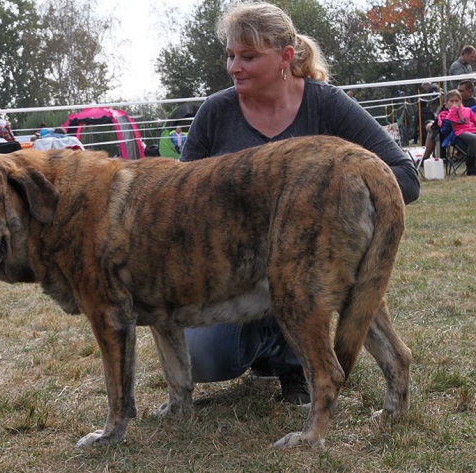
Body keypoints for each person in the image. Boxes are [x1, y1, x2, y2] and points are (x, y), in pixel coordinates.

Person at [179, 2, 420, 404]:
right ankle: (274, 348)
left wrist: (324, 205)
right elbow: (182, 198)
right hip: (237, 271)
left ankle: (300, 364)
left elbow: (405, 178)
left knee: (304, 279)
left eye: (249, 57)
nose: (233, 67)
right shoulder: (215, 113)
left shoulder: (326, 104)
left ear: (285, 57)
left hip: (314, 267)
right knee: (202, 359)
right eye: (230, 55)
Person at [440, 89, 476, 176]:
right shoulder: (444, 113)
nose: (454, 103)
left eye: (457, 100)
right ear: (446, 102)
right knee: (474, 139)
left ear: (461, 101)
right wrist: (453, 110)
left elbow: (474, 121)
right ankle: (470, 167)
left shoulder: (467, 110)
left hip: (471, 130)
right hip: (458, 132)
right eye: (451, 101)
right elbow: (446, 124)